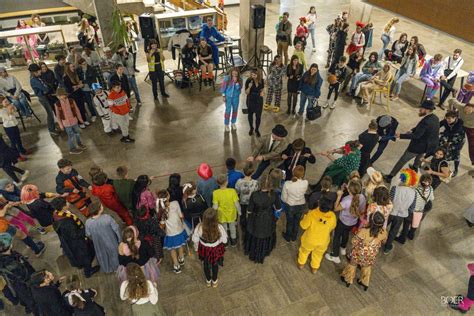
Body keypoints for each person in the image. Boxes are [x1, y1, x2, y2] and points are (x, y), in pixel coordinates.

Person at [385, 100, 439, 182]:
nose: (420, 109)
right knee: (418, 160)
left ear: (427, 110)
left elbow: (417, 136)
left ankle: (390, 176)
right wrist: (413, 130)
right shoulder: (435, 118)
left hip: (417, 146)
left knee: (402, 160)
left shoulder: (426, 122)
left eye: (422, 108)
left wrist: (401, 135)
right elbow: (422, 130)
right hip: (427, 147)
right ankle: (415, 169)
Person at [50, 197, 100, 278]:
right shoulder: (66, 223)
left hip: (69, 239)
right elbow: (75, 235)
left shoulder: (57, 213)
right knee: (85, 255)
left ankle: (82, 265)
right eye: (66, 202)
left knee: (81, 256)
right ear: (63, 207)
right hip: (76, 243)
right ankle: (88, 272)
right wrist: (86, 228)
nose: (68, 202)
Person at [340, 212, 387, 290]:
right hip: (371, 254)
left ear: (371, 221)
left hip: (359, 253)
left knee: (352, 265)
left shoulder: (364, 231)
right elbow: (384, 241)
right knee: (366, 267)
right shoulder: (384, 232)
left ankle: (347, 279)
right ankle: (364, 282)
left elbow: (354, 241)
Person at [325, 179, 366, 263]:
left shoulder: (347, 200)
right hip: (353, 222)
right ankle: (343, 247)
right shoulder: (362, 197)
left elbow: (336, 208)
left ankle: (335, 255)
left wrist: (339, 196)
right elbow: (362, 211)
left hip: (343, 221)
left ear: (349, 190)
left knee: (337, 236)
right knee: (346, 233)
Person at [245, 174, 282, 263]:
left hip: (256, 218)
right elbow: (278, 208)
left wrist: (248, 217)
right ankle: (264, 251)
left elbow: (249, 210)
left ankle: (253, 252)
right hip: (268, 218)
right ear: (271, 184)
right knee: (266, 233)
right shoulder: (274, 195)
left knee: (255, 234)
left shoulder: (254, 195)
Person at [0, 233, 39, 314]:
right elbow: (24, 276)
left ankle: (28, 306)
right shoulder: (11, 264)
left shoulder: (7, 255)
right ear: (9, 245)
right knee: (33, 302)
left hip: (15, 284)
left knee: (25, 299)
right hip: (25, 285)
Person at [297, 196, 336, 273]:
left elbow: (303, 225)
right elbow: (333, 226)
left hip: (309, 240)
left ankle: (301, 264)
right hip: (323, 241)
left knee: (304, 251)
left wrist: (304, 216)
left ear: (319, 204)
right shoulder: (332, 216)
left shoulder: (312, 213)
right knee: (318, 254)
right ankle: (314, 268)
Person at [383, 169, 418, 254]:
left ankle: (376, 240)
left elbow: (389, 200)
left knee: (383, 227)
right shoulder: (414, 193)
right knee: (393, 231)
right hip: (401, 215)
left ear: (403, 178)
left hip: (391, 212)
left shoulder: (395, 188)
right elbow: (412, 208)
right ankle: (387, 247)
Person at [192, 208, 227, 287]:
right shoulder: (219, 227)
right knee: (215, 264)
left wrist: (196, 248)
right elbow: (224, 240)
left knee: (205, 264)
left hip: (204, 249)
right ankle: (214, 281)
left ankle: (208, 280)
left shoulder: (199, 227)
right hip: (215, 249)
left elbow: (195, 239)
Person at [395, 174, 433, 243]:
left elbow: (410, 200)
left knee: (406, 225)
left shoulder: (415, 190)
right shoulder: (430, 189)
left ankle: (402, 239)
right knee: (415, 223)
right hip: (421, 211)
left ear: (420, 181)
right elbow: (432, 198)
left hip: (411, 211)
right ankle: (411, 235)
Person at [157, 190, 188, 274]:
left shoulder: (161, 210)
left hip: (170, 233)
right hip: (179, 229)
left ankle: (176, 265)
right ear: (168, 197)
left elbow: (162, 225)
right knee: (180, 245)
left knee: (172, 249)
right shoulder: (175, 203)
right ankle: (181, 258)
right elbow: (181, 215)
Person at [84, 203, 121, 274]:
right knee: (114, 254)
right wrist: (120, 239)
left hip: (98, 243)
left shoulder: (88, 222)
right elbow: (116, 229)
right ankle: (117, 268)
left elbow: (88, 234)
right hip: (111, 240)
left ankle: (107, 269)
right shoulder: (107, 218)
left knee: (102, 256)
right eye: (101, 206)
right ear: (99, 210)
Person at [29, 63, 59, 136]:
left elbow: (46, 86)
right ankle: (51, 129)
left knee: (52, 111)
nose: (40, 72)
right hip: (43, 98)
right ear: (34, 72)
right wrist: (46, 89)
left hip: (46, 96)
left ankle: (53, 127)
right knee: (50, 114)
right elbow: (45, 88)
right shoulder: (33, 80)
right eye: (39, 71)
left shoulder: (38, 77)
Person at [54, 88, 86, 154]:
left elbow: (77, 110)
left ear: (65, 95)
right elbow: (58, 115)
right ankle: (72, 149)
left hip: (74, 121)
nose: (60, 97)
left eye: (61, 95)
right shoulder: (57, 104)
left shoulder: (71, 101)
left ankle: (79, 143)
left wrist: (80, 119)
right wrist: (60, 124)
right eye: (58, 96)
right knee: (71, 136)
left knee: (77, 133)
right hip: (66, 124)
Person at [281, 166, 308, 242]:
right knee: (297, 221)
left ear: (293, 173)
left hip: (290, 205)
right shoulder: (305, 183)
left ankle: (288, 236)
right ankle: (294, 236)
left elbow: (283, 197)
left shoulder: (287, 184)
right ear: (302, 175)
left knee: (289, 222)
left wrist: (287, 201)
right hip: (301, 204)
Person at [212, 175, 240, 247]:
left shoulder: (215, 193)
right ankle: (233, 241)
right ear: (227, 182)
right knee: (232, 226)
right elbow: (236, 203)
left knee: (224, 228)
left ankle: (226, 241)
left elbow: (215, 206)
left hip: (221, 214)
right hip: (231, 213)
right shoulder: (232, 191)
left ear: (218, 183)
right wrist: (239, 211)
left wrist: (214, 213)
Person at [449, 99, 474, 167]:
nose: (466, 111)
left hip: (471, 128)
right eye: (466, 109)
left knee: (472, 144)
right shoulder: (461, 106)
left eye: (469, 111)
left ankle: (473, 160)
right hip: (461, 124)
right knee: (453, 137)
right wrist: (450, 110)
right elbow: (451, 100)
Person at [439, 110, 465, 177]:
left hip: (458, 139)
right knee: (441, 147)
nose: (448, 120)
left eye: (450, 118)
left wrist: (447, 140)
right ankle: (440, 162)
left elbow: (456, 133)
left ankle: (456, 169)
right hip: (448, 136)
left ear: (455, 118)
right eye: (447, 118)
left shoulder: (460, 123)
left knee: (456, 153)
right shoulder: (445, 121)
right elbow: (438, 124)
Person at [235, 164, 259, 231]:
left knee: (242, 214)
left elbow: (237, 191)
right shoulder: (255, 182)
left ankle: (243, 225)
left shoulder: (239, 181)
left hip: (242, 201)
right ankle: (250, 225)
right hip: (251, 202)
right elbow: (256, 192)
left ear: (243, 171)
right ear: (252, 172)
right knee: (251, 213)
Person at [221, 67, 242, 132]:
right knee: (228, 110)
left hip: (236, 98)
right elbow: (223, 87)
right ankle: (226, 124)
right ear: (231, 72)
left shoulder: (240, 79)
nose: (234, 73)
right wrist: (223, 96)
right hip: (228, 97)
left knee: (235, 110)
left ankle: (233, 123)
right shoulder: (226, 78)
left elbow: (239, 89)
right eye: (233, 72)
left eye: (236, 72)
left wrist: (236, 82)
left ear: (238, 73)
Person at [245, 68, 265, 136]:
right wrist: (249, 87)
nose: (253, 76)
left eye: (254, 75)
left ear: (258, 75)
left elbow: (262, 89)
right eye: (252, 75)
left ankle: (257, 129)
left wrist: (262, 92)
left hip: (259, 100)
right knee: (250, 115)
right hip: (250, 99)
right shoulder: (248, 80)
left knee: (258, 116)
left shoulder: (261, 80)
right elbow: (246, 92)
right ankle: (251, 128)